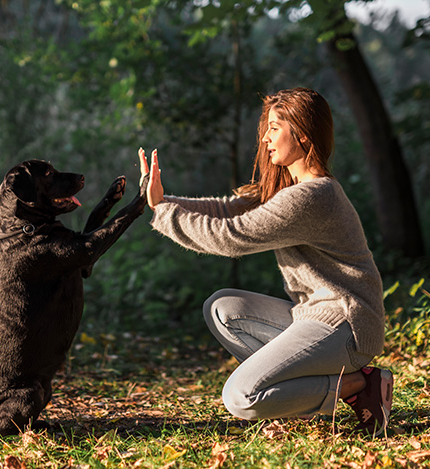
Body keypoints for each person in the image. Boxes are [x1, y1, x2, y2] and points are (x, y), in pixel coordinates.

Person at [137, 87, 393, 436]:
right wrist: (163, 201)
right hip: (316, 317)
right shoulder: (294, 189)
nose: (265, 139)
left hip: (347, 326)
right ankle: (296, 395)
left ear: (302, 133)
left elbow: (229, 236)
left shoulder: (312, 197)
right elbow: (228, 209)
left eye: (274, 128)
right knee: (222, 308)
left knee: (241, 396)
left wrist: (164, 212)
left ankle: (356, 386)